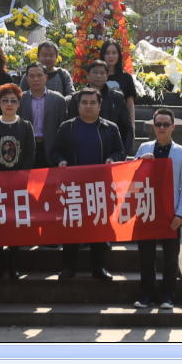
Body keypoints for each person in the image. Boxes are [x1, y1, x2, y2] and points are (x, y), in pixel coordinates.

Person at [49, 88, 126, 280]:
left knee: (99, 228)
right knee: (71, 228)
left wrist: (112, 159)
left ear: (100, 106)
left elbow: (121, 152)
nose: (88, 106)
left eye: (92, 103)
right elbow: (55, 151)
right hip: (73, 187)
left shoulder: (110, 128)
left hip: (100, 187)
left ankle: (99, 268)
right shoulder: (67, 127)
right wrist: (61, 161)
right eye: (84, 102)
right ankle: (68, 268)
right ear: (78, 106)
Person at [134, 108, 182, 310]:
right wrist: (140, 163)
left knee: (171, 258)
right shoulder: (144, 148)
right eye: (158, 124)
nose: (161, 128)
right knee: (146, 258)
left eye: (166, 124)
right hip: (147, 210)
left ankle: (168, 296)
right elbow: (131, 175)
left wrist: (181, 214)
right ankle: (147, 295)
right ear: (153, 127)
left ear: (173, 127)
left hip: (170, 213)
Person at [0, 83, 35, 280]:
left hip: (19, 185)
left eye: (13, 101)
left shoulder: (26, 126)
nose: (9, 104)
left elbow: (30, 153)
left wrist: (21, 175)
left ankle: (13, 261)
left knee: (15, 224)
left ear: (19, 104)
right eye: (5, 100)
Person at [70, 60, 134, 151]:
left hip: (111, 150)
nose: (99, 76)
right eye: (95, 72)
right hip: (83, 148)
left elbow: (127, 127)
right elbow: (71, 127)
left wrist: (122, 153)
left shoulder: (117, 97)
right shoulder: (77, 97)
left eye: (102, 73)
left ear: (107, 76)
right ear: (87, 74)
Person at [19, 62, 69, 169]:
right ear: (27, 78)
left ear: (46, 77)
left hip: (51, 149)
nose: (36, 79)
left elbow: (63, 130)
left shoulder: (58, 100)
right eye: (32, 76)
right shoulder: (20, 100)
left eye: (39, 75)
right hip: (26, 149)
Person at [100, 39, 137, 122]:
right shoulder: (98, 76)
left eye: (114, 53)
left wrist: (132, 125)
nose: (111, 56)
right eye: (107, 53)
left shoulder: (126, 77)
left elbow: (130, 104)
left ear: (119, 55)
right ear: (103, 55)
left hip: (122, 122)